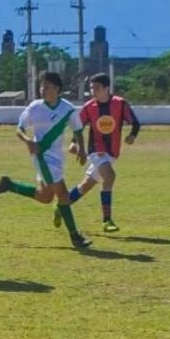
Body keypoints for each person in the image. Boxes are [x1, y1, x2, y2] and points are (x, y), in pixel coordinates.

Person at [0, 72, 93, 249]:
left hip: (57, 158)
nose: (42, 89)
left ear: (57, 89)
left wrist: (83, 150)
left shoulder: (68, 109)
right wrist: (28, 141)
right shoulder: (34, 107)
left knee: (45, 197)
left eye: (46, 86)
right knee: (62, 194)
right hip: (41, 157)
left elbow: (78, 130)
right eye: (42, 86)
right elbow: (20, 129)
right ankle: (75, 236)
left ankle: (9, 185)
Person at [59, 73, 141, 232]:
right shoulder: (89, 107)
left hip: (112, 152)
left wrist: (132, 135)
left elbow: (135, 122)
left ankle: (62, 205)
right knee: (109, 176)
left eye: (96, 88)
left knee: (86, 186)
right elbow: (78, 126)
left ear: (106, 88)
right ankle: (107, 220)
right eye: (91, 88)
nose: (93, 91)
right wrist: (74, 143)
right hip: (95, 150)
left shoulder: (120, 104)